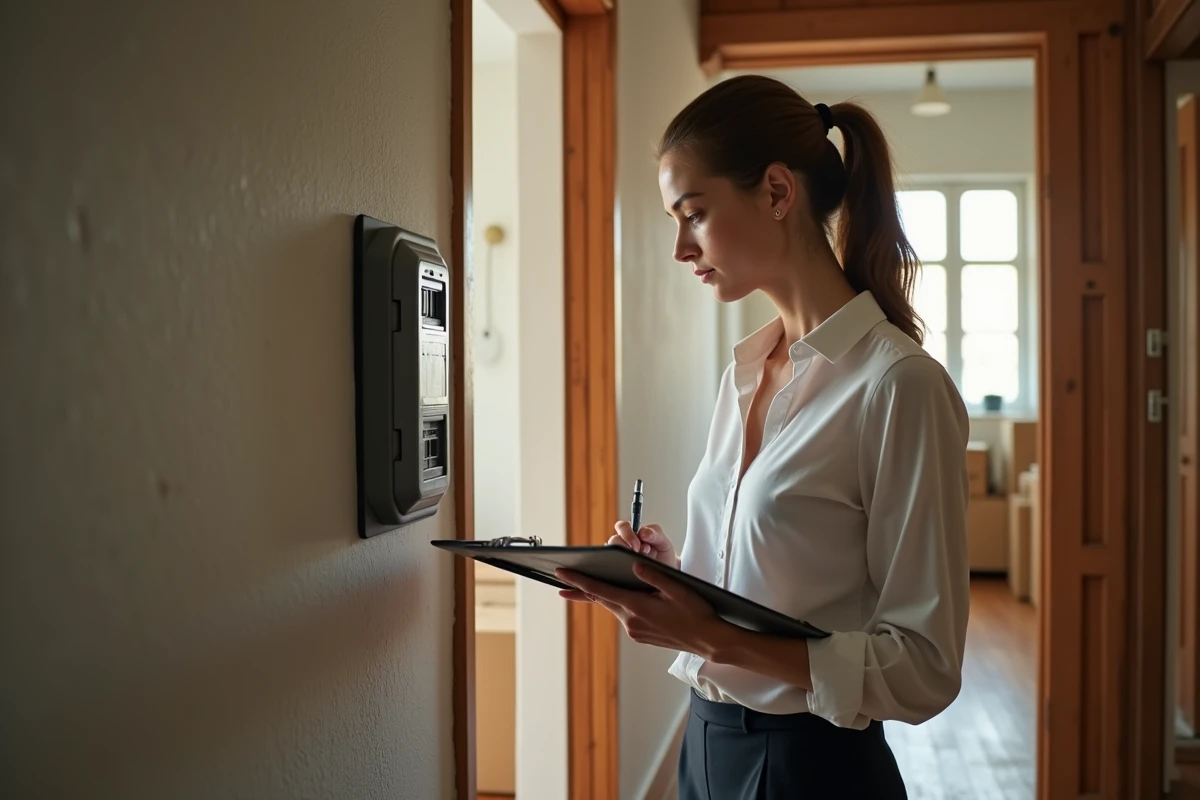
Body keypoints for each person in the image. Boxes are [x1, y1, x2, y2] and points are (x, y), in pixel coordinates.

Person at [555, 74, 970, 799]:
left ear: (778, 193)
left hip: (813, 769)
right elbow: (783, 574)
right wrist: (673, 573)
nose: (681, 247)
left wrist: (711, 638)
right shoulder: (747, 371)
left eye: (694, 213)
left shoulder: (898, 387)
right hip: (705, 744)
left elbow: (924, 668)